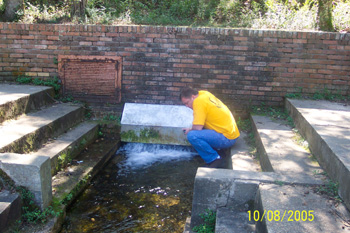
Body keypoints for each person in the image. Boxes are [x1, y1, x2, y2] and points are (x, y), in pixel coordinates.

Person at [180, 87, 240, 168]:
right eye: (185, 104)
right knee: (200, 130)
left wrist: (190, 129)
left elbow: (198, 127)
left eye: (187, 103)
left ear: (193, 97)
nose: (187, 106)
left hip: (227, 138)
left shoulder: (198, 102)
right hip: (232, 134)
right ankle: (220, 152)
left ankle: (215, 159)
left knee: (192, 135)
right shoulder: (204, 94)